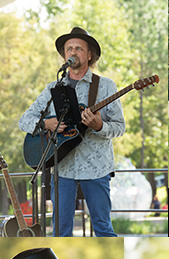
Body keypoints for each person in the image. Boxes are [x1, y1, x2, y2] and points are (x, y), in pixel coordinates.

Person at [19, 27, 124, 237]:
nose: (72, 52)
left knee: (103, 229)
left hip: (96, 169)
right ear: (64, 55)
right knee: (60, 232)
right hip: (63, 170)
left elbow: (119, 127)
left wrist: (99, 126)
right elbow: (25, 120)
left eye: (78, 48)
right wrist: (47, 124)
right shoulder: (53, 88)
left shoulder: (105, 86)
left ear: (89, 54)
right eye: (69, 49)